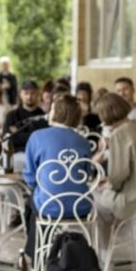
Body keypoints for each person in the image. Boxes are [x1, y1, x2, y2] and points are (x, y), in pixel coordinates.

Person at [91, 92, 136, 271]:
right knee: (102, 196)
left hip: (135, 199)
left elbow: (118, 177)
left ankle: (106, 261)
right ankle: (107, 258)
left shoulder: (119, 135)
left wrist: (107, 184)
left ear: (105, 115)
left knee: (93, 202)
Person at [22, 94, 92, 259]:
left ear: (56, 112)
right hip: (81, 205)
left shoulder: (37, 136)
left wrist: (44, 187)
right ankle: (51, 254)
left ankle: (37, 257)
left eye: (52, 108)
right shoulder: (83, 141)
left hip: (49, 206)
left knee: (32, 204)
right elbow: (86, 174)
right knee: (37, 202)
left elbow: (30, 177)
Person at [4, 80, 47, 172]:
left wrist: (19, 134)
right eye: (26, 93)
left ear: (38, 94)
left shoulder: (44, 117)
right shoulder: (12, 115)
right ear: (20, 94)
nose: (29, 97)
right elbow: (8, 139)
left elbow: (44, 142)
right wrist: (34, 134)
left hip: (38, 156)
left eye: (32, 93)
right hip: (17, 155)